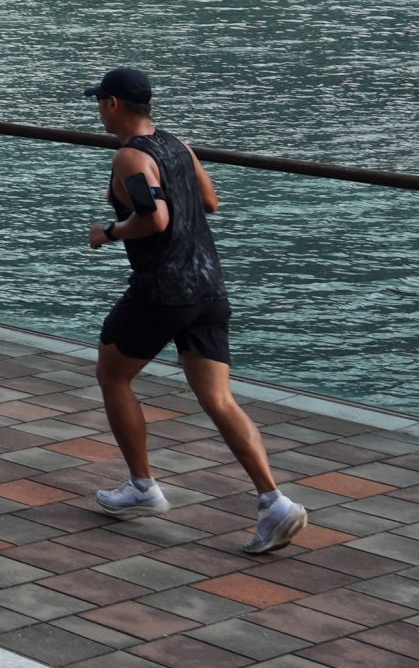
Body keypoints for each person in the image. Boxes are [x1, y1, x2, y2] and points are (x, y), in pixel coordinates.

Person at [81, 65, 309, 555]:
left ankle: (143, 488)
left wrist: (108, 232)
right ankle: (274, 503)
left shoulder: (129, 157)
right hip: (209, 287)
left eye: (100, 100)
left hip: (162, 291)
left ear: (115, 104)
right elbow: (210, 201)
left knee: (113, 375)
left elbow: (154, 218)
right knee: (219, 398)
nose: (98, 108)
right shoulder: (177, 145)